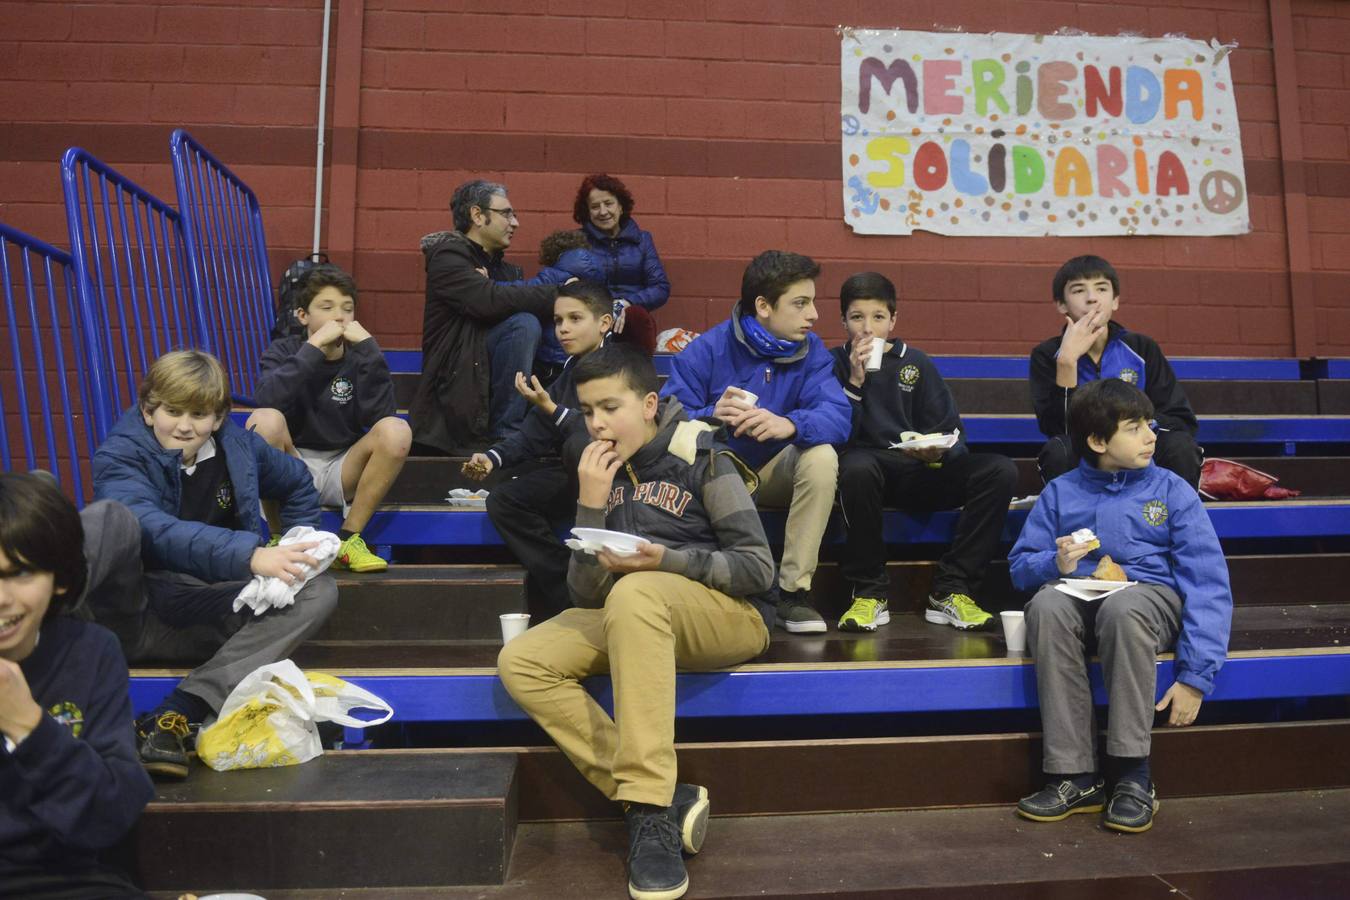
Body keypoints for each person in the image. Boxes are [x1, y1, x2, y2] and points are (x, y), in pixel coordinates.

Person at [498, 345, 774, 900]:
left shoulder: (702, 454)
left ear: (649, 403)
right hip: (635, 615)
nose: (597, 423)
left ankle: (649, 813)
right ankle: (662, 798)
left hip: (728, 617)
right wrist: (590, 506)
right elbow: (584, 594)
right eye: (587, 410)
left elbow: (757, 568)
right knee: (522, 659)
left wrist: (665, 560)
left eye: (610, 407)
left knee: (639, 590)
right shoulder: (600, 468)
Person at [90, 350, 338, 778]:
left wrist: (300, 544)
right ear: (149, 411)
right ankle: (39, 648)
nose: (184, 425)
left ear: (219, 417)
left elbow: (298, 482)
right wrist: (251, 555)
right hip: (131, 610)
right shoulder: (121, 454)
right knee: (107, 519)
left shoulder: (239, 446)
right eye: (172, 411)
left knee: (320, 589)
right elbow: (153, 529)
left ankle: (181, 711)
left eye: (199, 414)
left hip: (202, 610)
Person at [1008, 379, 1232, 833]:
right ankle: (1074, 776)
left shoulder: (1171, 491)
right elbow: (1020, 569)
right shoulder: (1061, 492)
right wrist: (1054, 561)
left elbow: (1208, 583)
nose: (1151, 436)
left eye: (1150, 425)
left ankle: (1133, 774)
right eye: (1135, 428)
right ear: (1097, 441)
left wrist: (1195, 676)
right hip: (1079, 598)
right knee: (1046, 606)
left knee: (1123, 608)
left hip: (1150, 603)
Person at [661, 251, 850, 634]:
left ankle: (791, 594)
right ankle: (727, 590)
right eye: (801, 304)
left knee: (821, 456)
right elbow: (665, 422)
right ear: (763, 306)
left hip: (773, 473)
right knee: (708, 460)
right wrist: (711, 414)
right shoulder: (706, 350)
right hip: (718, 476)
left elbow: (838, 415)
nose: (814, 315)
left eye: (812, 302)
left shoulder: (812, 352)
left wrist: (790, 425)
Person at [831, 273, 1017, 632]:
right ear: (842, 321)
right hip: (867, 474)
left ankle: (953, 590)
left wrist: (937, 452)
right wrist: (854, 383)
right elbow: (833, 436)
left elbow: (954, 434)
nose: (868, 327)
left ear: (894, 320)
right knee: (855, 465)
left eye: (878, 317)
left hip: (922, 470)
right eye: (857, 317)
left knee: (999, 471)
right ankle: (869, 593)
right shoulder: (832, 365)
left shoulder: (916, 362)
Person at [0, 473, 154, 899]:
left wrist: (28, 726)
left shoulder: (90, 652)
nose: (1, 598)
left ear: (60, 580)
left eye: (21, 573)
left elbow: (110, 815)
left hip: (68, 879)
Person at [465, 280, 615, 619]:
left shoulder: (620, 366)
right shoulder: (571, 369)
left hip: (618, 479)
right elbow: (535, 431)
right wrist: (493, 457)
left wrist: (553, 409)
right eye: (558, 321)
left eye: (575, 319)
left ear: (604, 323)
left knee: (580, 444)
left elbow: (606, 434)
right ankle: (568, 589)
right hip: (575, 475)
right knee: (504, 500)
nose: (563, 329)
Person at [249, 264, 411, 573]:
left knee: (397, 430)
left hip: (342, 467)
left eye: (347, 308)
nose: (340, 316)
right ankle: (278, 536)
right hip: (292, 463)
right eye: (327, 307)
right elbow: (267, 400)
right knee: (265, 420)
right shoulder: (284, 350)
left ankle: (349, 539)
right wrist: (312, 349)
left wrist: (370, 351)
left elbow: (380, 417)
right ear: (302, 316)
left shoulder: (361, 356)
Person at [411, 179, 558, 454]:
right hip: (454, 392)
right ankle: (507, 437)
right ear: (478, 215)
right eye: (507, 214)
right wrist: (562, 295)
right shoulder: (447, 257)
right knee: (524, 324)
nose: (515, 223)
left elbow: (497, 300)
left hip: (486, 384)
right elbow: (487, 301)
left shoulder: (508, 272)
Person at [1030, 255, 1202, 488]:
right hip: (1088, 448)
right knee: (1059, 451)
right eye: (1079, 290)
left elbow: (1181, 421)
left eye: (1101, 288)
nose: (1092, 299)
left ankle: (1175, 521)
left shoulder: (1142, 348)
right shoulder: (1047, 354)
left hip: (1140, 445)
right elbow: (1059, 430)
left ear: (1115, 301)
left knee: (1181, 446)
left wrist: (1126, 430)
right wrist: (1067, 362)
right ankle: (1074, 523)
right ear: (1061, 304)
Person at [574, 174, 669, 358]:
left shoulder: (643, 240)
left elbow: (660, 287)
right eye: (595, 207)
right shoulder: (577, 242)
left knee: (637, 316)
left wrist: (627, 303)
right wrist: (604, 308)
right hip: (594, 316)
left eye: (608, 203)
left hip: (633, 320)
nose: (603, 211)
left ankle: (640, 380)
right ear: (587, 211)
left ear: (621, 206)